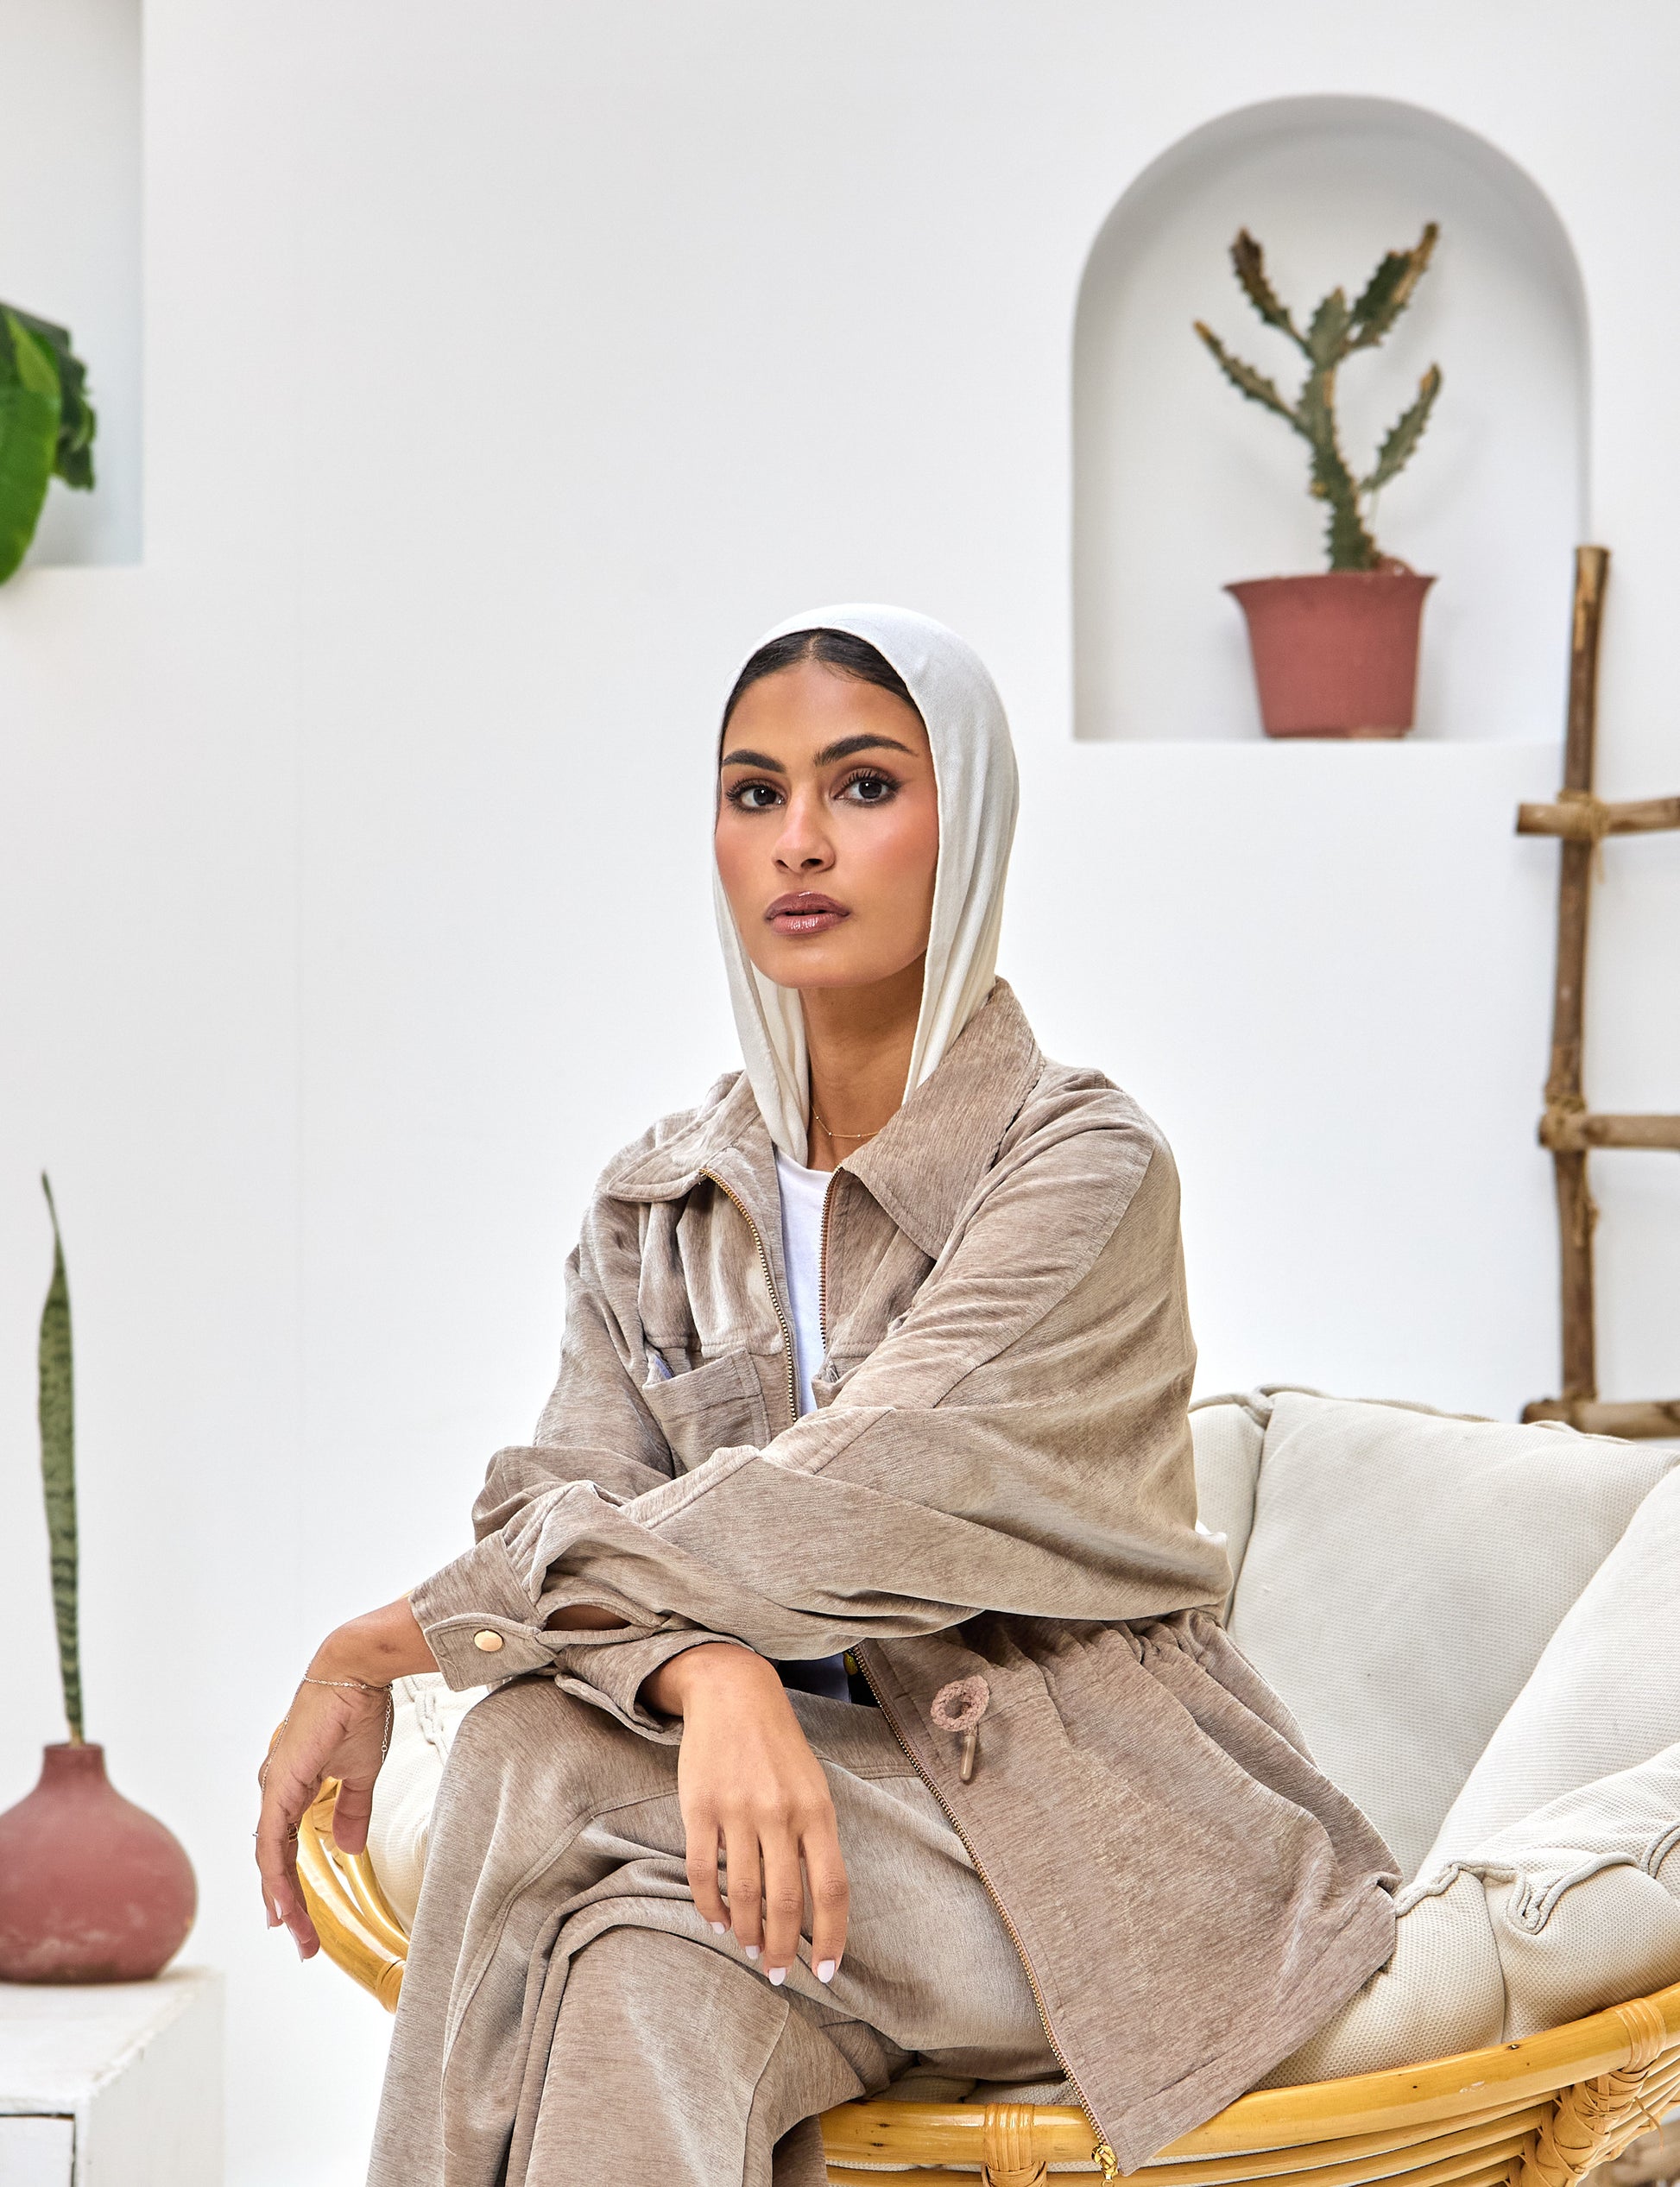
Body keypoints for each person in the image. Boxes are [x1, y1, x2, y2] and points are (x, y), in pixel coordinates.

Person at [256, 607, 1397, 2187]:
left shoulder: (1080, 1168)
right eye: (754, 793)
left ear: (966, 822)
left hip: (1063, 1861)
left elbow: (844, 1501)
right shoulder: (660, 1203)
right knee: (637, 1969)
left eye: (863, 786)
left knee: (528, 1744)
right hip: (751, 1849)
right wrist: (707, 1673)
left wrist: (384, 1639)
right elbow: (548, 1500)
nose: (799, 840)